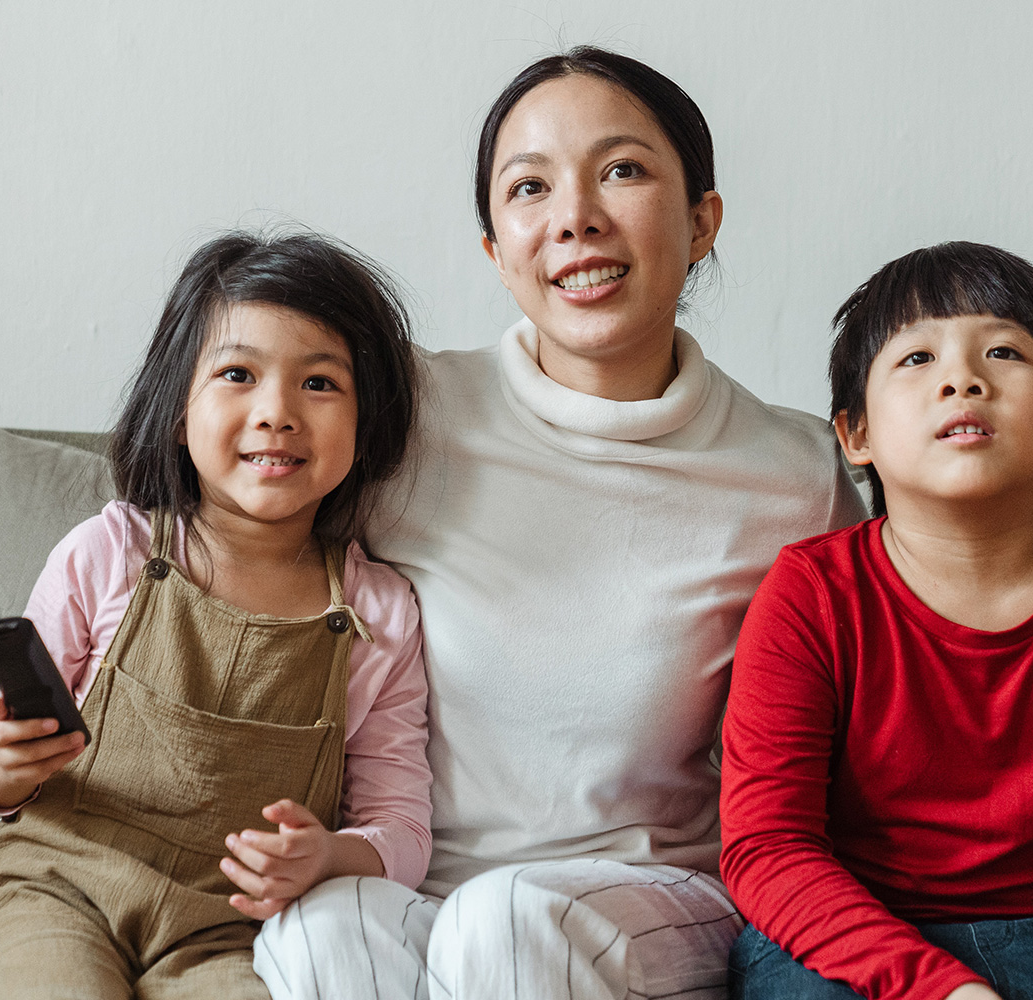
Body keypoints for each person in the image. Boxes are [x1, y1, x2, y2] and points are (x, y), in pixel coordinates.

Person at [253, 47, 866, 1000]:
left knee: (504, 924)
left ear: (703, 220)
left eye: (622, 170)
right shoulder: (403, 413)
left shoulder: (797, 474)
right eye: (529, 187)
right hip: (415, 885)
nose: (575, 217)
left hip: (657, 898)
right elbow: (219, 522)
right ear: (496, 250)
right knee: (319, 929)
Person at [0, 232, 433, 998]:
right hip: (53, 885)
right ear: (179, 411)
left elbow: (405, 831)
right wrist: (0, 765)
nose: (276, 413)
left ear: (367, 421)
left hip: (230, 931)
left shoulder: (381, 612)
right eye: (238, 374)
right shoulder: (106, 551)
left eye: (319, 383)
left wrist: (330, 856)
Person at [719, 242, 1033, 1000]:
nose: (963, 379)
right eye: (917, 359)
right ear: (855, 434)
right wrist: (941, 991)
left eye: (1002, 351)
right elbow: (769, 845)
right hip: (856, 942)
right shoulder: (811, 594)